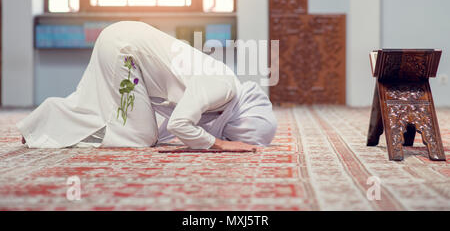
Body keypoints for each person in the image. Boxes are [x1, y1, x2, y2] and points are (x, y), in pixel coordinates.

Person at [16, 21, 277, 151]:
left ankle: (47, 118)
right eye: (233, 136)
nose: (229, 138)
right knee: (140, 137)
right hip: (124, 49)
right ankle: (50, 121)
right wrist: (220, 145)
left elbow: (171, 126)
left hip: (123, 41)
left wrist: (194, 139)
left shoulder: (225, 97)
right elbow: (178, 125)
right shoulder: (223, 86)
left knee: (116, 116)